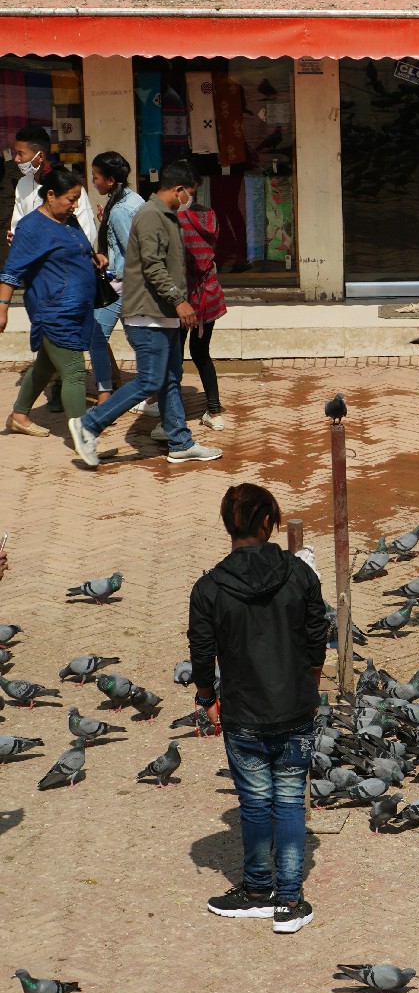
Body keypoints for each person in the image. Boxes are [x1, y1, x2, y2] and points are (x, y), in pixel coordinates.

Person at [189, 482, 331, 934]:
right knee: (290, 801)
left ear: (228, 526)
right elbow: (316, 635)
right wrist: (311, 679)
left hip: (243, 713)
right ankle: (289, 900)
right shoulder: (300, 575)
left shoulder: (209, 587)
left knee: (253, 801)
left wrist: (207, 698)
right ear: (269, 523)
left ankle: (255, 889)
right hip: (295, 708)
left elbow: (201, 650)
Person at [80, 160, 220, 465]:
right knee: (149, 380)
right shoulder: (151, 216)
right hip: (147, 315)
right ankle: (88, 426)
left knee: (169, 378)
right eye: (190, 193)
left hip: (162, 314)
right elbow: (152, 265)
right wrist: (179, 300)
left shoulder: (166, 215)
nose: (190, 200)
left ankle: (180, 442)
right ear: (179, 189)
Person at [0, 166, 100, 447]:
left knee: (45, 365)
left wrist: (95, 258)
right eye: (71, 198)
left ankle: (19, 416)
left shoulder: (69, 221)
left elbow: (79, 249)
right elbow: (11, 271)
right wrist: (2, 307)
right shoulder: (31, 227)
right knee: (75, 372)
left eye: (78, 198)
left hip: (77, 308)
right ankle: (83, 439)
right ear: (51, 195)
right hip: (54, 311)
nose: (75, 205)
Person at [86, 151, 140, 401]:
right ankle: (151, 393)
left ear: (109, 180)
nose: (93, 181)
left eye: (96, 177)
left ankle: (104, 398)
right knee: (140, 341)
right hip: (127, 284)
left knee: (96, 340)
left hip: (120, 285)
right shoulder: (130, 199)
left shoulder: (120, 209)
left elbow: (132, 251)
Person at [177, 188, 229, 429]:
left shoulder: (179, 222)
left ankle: (171, 413)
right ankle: (215, 411)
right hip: (210, 295)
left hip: (185, 298)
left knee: (174, 355)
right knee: (201, 353)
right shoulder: (211, 216)